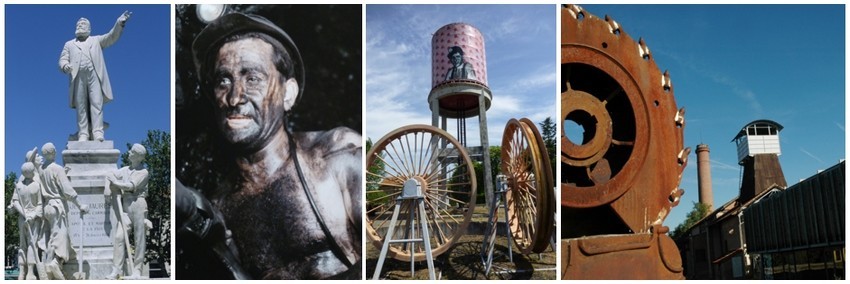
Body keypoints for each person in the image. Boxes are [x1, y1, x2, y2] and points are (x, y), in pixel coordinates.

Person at [180, 12, 362, 280]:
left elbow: (382, 254)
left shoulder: (335, 156)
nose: (234, 97)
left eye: (252, 78)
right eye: (223, 80)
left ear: (287, 93)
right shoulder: (219, 207)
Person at [58, 11, 131, 142]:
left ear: (89, 28)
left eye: (83, 24)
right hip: (78, 77)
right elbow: (62, 59)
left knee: (96, 103)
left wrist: (119, 23)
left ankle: (98, 132)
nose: (80, 25)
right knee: (81, 106)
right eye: (78, 24)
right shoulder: (69, 44)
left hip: (94, 75)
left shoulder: (96, 40)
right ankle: (83, 134)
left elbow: (111, 37)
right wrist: (65, 66)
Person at [39, 142, 88, 279]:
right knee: (61, 237)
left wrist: (63, 174)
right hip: (57, 206)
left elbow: (51, 182)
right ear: (54, 152)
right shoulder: (57, 169)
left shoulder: (42, 169)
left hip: (47, 207)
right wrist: (80, 205)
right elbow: (67, 190)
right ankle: (54, 262)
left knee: (52, 237)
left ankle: (50, 265)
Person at [105, 143, 151, 279]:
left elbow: (130, 186)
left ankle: (137, 270)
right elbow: (109, 174)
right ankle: (117, 270)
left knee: (139, 239)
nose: (129, 153)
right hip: (125, 206)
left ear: (138, 156)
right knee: (119, 237)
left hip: (138, 204)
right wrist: (107, 189)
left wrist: (115, 183)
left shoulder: (143, 172)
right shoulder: (124, 170)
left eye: (132, 152)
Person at [8, 162, 44, 280]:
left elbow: (15, 202)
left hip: (25, 217)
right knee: (31, 245)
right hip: (30, 218)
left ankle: (23, 272)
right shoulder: (35, 186)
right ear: (33, 172)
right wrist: (31, 215)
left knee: (23, 245)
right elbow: (40, 204)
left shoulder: (19, 185)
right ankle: (29, 272)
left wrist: (26, 214)